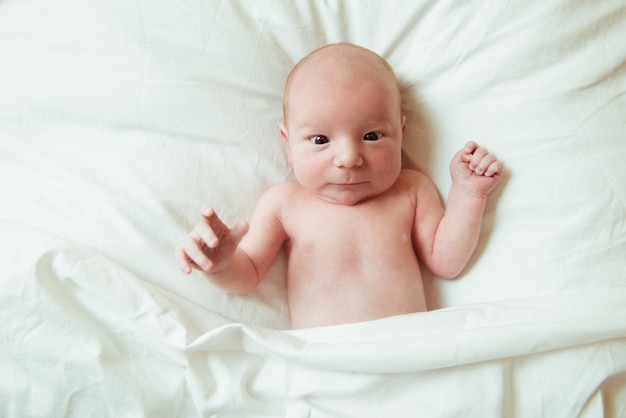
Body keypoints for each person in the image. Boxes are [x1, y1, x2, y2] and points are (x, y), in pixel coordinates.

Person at [176, 43, 503, 328]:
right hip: (327, 358)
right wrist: (220, 265)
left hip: (408, 347)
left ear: (400, 133)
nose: (349, 158)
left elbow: (447, 262)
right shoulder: (284, 204)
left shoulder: (411, 190)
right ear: (289, 145)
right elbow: (246, 275)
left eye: (372, 136)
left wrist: (468, 194)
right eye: (320, 140)